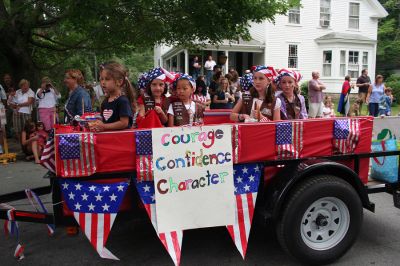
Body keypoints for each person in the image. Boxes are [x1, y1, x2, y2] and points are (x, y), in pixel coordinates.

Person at [89, 62, 135, 132]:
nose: (103, 82)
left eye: (107, 79)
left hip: (121, 139)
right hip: (108, 139)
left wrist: (104, 126)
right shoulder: (105, 101)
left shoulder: (122, 101)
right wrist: (96, 125)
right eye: (101, 79)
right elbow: (105, 121)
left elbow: (124, 123)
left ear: (119, 82)